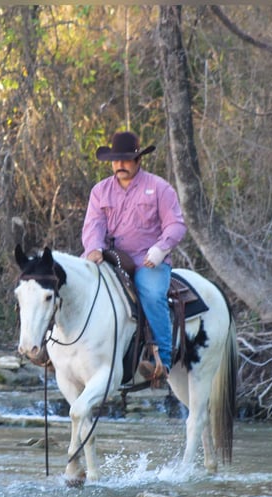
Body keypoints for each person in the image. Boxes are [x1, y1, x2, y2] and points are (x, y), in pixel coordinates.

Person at [81, 131, 187, 383]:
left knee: (150, 293)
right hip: (109, 257)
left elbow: (176, 225)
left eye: (126, 160)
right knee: (73, 285)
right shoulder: (100, 191)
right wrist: (94, 248)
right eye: (116, 160)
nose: (120, 165)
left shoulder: (159, 188)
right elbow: (93, 225)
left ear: (139, 159)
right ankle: (64, 350)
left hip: (147, 260)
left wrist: (161, 248)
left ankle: (162, 360)